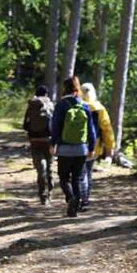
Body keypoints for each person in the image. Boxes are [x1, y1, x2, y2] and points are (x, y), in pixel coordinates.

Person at [50, 76, 97, 218]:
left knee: (64, 178)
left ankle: (71, 198)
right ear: (77, 87)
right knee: (76, 178)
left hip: (64, 149)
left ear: (65, 88)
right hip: (81, 149)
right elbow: (91, 129)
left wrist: (53, 144)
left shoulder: (62, 104)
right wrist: (91, 147)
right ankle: (74, 208)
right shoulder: (84, 105)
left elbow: (56, 127)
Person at [80, 82, 115, 211]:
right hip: (94, 146)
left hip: (76, 145)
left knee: (79, 172)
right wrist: (110, 149)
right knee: (87, 173)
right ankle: (85, 200)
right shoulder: (99, 108)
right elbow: (107, 129)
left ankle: (79, 197)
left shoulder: (77, 105)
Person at [22, 85, 55, 205]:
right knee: (50, 167)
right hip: (48, 140)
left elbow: (25, 125)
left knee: (41, 170)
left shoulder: (31, 105)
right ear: (46, 94)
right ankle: (50, 191)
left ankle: (42, 195)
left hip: (34, 140)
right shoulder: (50, 105)